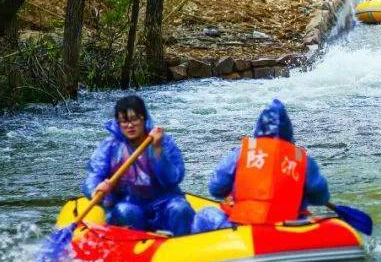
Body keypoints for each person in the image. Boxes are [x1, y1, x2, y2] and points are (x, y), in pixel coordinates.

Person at [192, 99, 330, 231]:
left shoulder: (241, 153)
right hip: (289, 226)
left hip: (245, 226)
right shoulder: (302, 160)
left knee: (205, 213)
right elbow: (320, 198)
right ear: (288, 131)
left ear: (258, 128)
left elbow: (216, 189)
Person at [82, 95, 194, 236]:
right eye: (124, 121)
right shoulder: (110, 146)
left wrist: (157, 150)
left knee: (181, 209)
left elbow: (173, 179)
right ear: (118, 123)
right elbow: (94, 176)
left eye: (134, 119)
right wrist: (96, 191)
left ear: (144, 119)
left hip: (163, 201)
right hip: (129, 203)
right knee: (125, 211)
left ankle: (183, 242)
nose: (130, 125)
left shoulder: (163, 142)